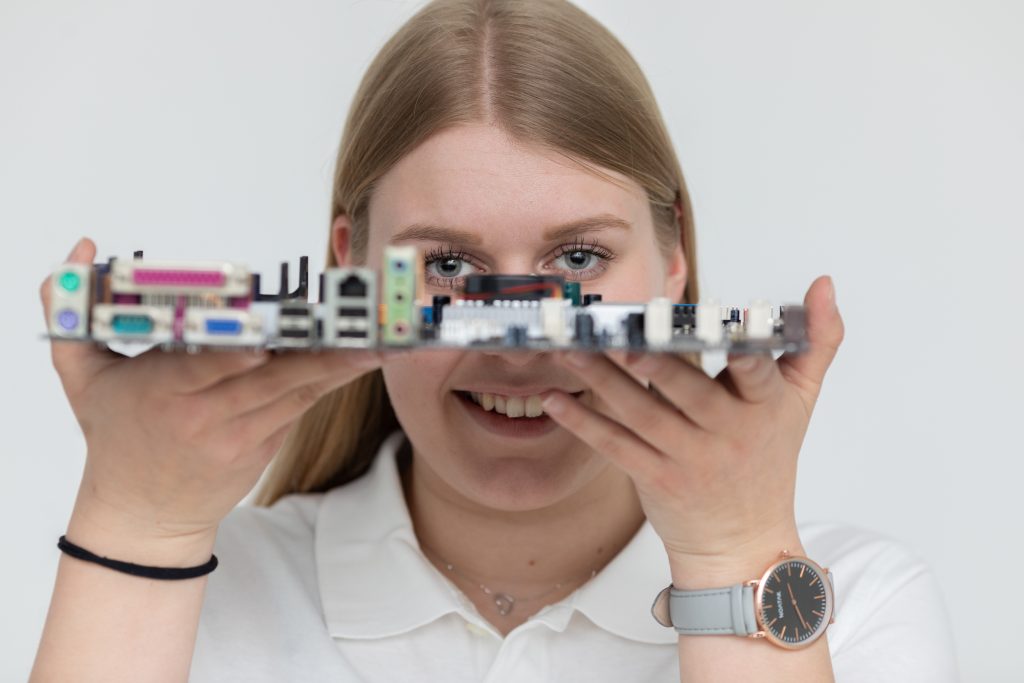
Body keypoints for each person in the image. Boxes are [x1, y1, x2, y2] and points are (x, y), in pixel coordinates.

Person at [31, 0, 959, 681]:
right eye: (448, 265)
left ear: (675, 259)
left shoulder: (852, 605)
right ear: (352, 271)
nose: (519, 341)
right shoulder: (194, 585)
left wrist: (733, 555)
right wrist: (136, 522)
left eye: (580, 257)